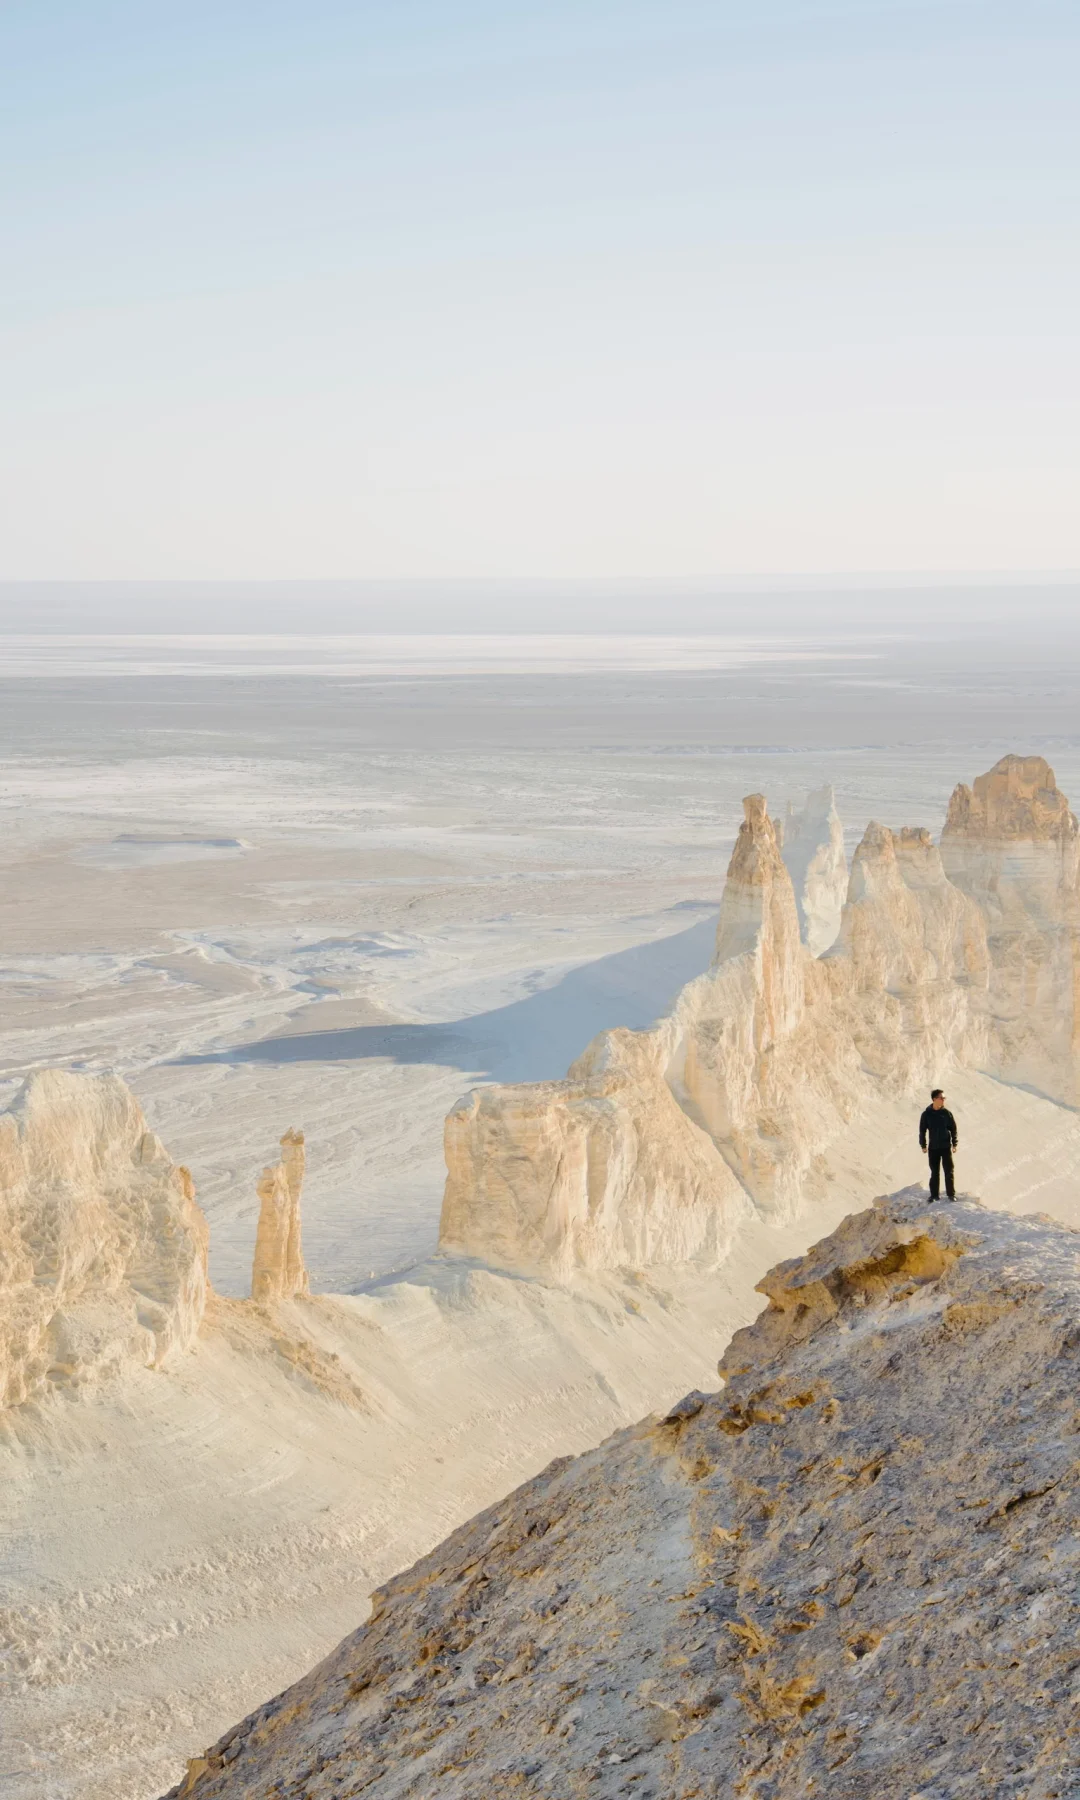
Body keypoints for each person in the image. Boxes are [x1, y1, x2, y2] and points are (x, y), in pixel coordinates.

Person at [919, 1088, 958, 1201]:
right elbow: (922, 1130)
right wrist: (923, 1145)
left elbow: (953, 1129)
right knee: (934, 1172)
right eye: (941, 1098)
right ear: (934, 1099)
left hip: (945, 1147)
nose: (943, 1100)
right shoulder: (926, 1114)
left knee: (949, 1170)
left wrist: (954, 1144)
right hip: (933, 1148)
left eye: (944, 1098)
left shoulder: (947, 1114)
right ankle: (934, 1195)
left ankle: (951, 1195)